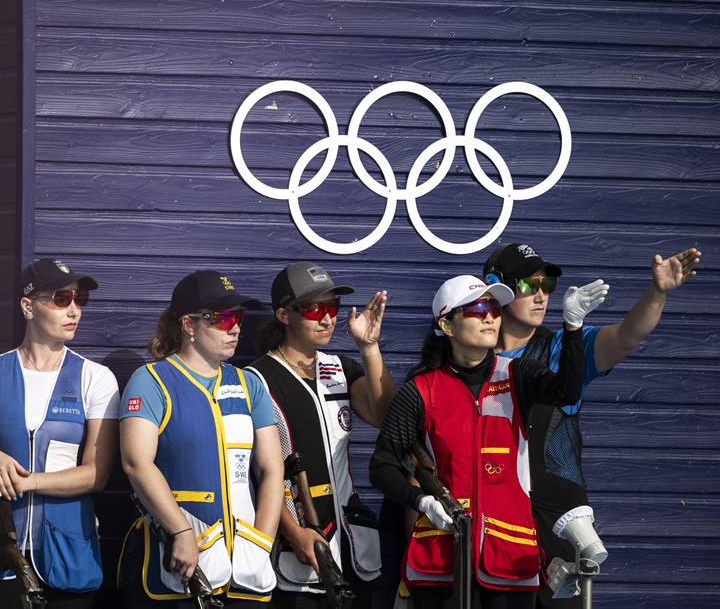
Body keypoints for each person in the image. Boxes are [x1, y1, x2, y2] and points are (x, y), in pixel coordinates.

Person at [481, 243, 701, 608]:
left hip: (559, 519)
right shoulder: (475, 359)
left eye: (546, 284)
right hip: (497, 518)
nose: (540, 295)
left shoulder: (563, 347)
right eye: (527, 285)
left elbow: (626, 335)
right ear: (497, 289)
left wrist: (656, 293)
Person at [369, 274, 605, 609]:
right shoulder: (421, 390)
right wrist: (423, 502)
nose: (491, 317)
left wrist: (573, 327)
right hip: (441, 559)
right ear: (447, 325)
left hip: (510, 554)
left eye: (494, 308)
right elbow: (381, 467)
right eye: (478, 308)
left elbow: (566, 391)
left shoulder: (517, 374)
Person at [0, 259, 121, 609]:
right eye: (61, 299)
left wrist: (28, 482)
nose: (74, 309)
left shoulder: (96, 378)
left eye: (79, 299)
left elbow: (97, 474)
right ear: (27, 306)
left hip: (68, 552)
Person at [117, 269, 285, 607]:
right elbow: (136, 463)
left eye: (237, 316)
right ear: (189, 325)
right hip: (179, 565)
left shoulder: (250, 384)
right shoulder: (151, 380)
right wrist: (180, 531)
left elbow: (272, 468)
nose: (236, 327)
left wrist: (261, 543)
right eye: (222, 318)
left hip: (244, 572)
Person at [245, 261, 396, 609]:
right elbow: (261, 473)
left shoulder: (342, 366)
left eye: (332, 307)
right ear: (284, 314)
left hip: (354, 544)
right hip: (299, 543)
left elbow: (383, 415)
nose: (327, 318)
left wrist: (369, 347)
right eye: (315, 309)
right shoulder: (255, 378)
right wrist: (293, 532)